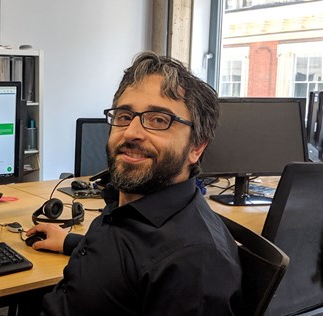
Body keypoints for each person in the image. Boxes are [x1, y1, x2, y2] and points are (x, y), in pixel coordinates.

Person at [26, 52, 243, 315]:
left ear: (196, 147)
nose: (131, 133)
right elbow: (128, 257)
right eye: (125, 116)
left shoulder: (193, 263)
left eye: (159, 120)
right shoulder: (130, 203)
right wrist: (71, 242)